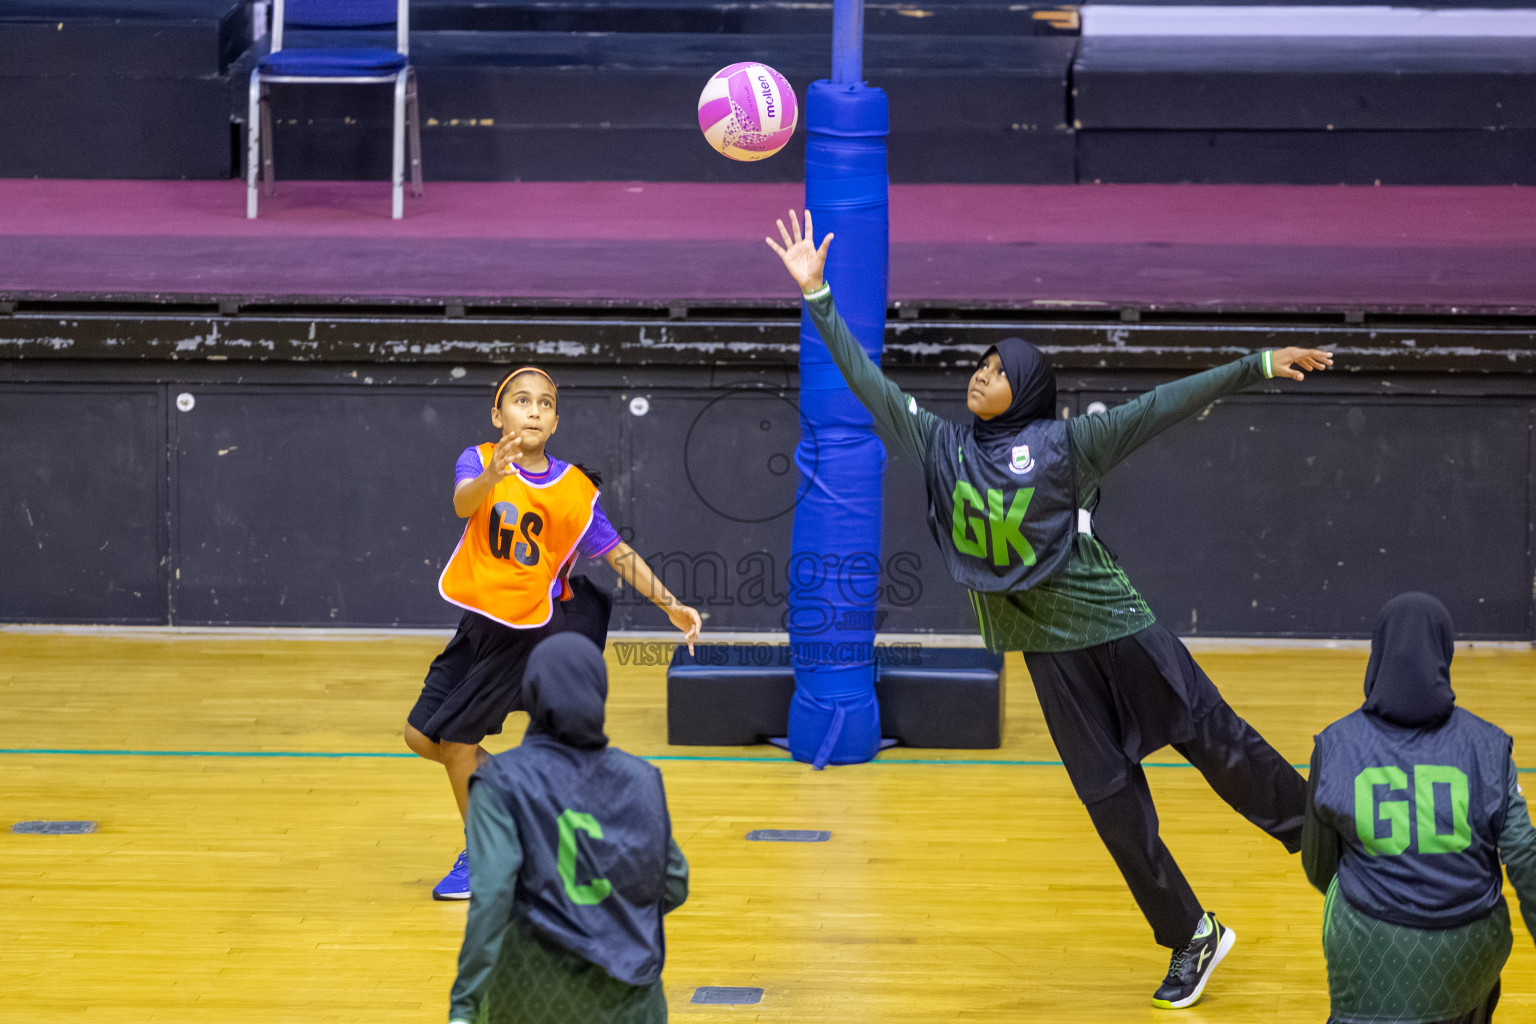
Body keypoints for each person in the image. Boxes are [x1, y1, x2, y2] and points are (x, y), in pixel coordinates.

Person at [767, 209, 1332, 1008]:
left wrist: (1260, 363)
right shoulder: (940, 446)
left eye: (997, 370)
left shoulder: (1069, 446)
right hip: (1046, 653)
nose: (980, 375)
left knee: (1220, 748)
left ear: (1026, 387)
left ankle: (1333, 854)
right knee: (1112, 807)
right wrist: (818, 292)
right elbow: (869, 381)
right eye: (980, 365)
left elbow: (1165, 404)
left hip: (1119, 630)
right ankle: (1190, 937)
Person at [406, 365, 701, 900]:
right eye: (521, 401)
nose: (533, 410)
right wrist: (492, 476)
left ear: (556, 421)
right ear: (499, 415)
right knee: (421, 737)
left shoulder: (572, 489)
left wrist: (671, 604)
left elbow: (617, 553)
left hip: (534, 627)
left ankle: (486, 856)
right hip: (482, 619)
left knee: (456, 743)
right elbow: (462, 504)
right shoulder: (478, 461)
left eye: (544, 403)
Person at [1302, 592, 1536, 1024]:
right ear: (1445, 653)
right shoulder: (1490, 745)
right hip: (1470, 953)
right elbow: (1525, 860)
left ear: (1378, 652)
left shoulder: (1334, 744)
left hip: (1369, 946)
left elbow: (1318, 866)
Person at [449, 632, 689, 1024]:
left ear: (531, 692)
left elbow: (492, 895)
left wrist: (464, 1007)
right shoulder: (642, 778)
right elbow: (674, 883)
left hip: (532, 994)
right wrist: (609, 920)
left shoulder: (502, 780)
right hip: (632, 1002)